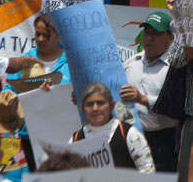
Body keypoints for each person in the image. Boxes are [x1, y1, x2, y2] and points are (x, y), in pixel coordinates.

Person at [121, 9, 183, 172]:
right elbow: (115, 96)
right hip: (130, 137)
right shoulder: (130, 63)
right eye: (147, 33)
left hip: (164, 142)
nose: (149, 38)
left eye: (156, 34)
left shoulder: (175, 68)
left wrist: (143, 99)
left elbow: (176, 105)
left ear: (170, 38)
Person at [70, 82, 155, 172]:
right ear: (83, 108)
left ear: (111, 105)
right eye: (89, 104)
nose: (95, 108)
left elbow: (147, 167)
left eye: (100, 103)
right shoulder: (76, 140)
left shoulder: (128, 134)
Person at [6, 13, 67, 91]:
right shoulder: (25, 60)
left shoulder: (72, 62)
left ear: (59, 35)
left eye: (45, 35)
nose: (40, 39)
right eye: (38, 34)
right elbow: (8, 90)